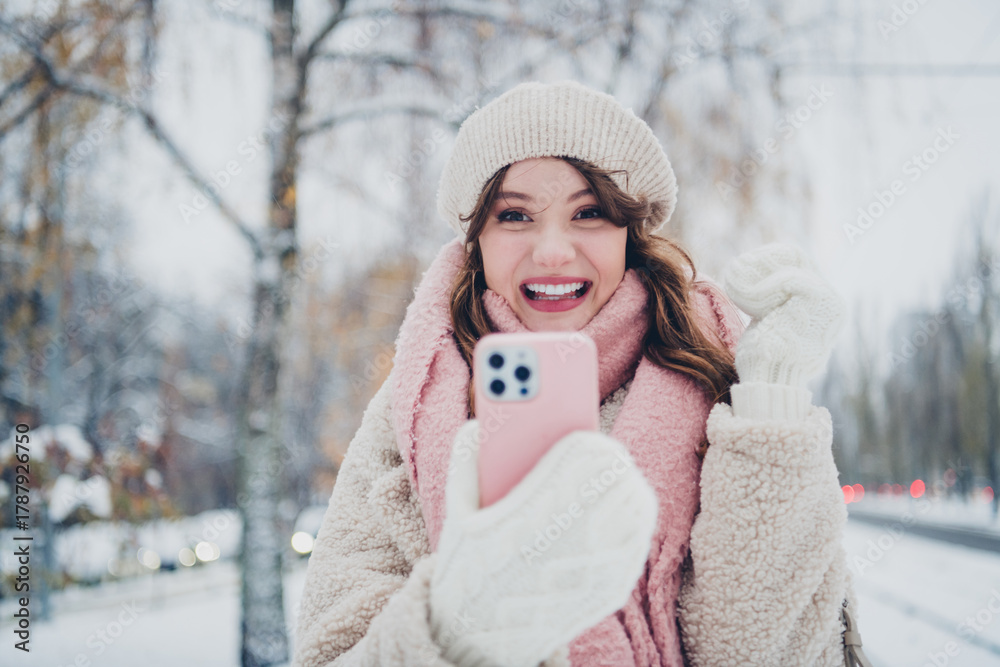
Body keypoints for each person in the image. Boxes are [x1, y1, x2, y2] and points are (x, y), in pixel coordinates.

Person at [292, 80, 867, 667]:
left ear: (629, 231)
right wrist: (454, 631)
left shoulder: (723, 382)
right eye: (514, 215)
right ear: (477, 241)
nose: (552, 252)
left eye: (589, 212)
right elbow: (330, 651)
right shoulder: (411, 413)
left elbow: (776, 649)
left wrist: (770, 399)